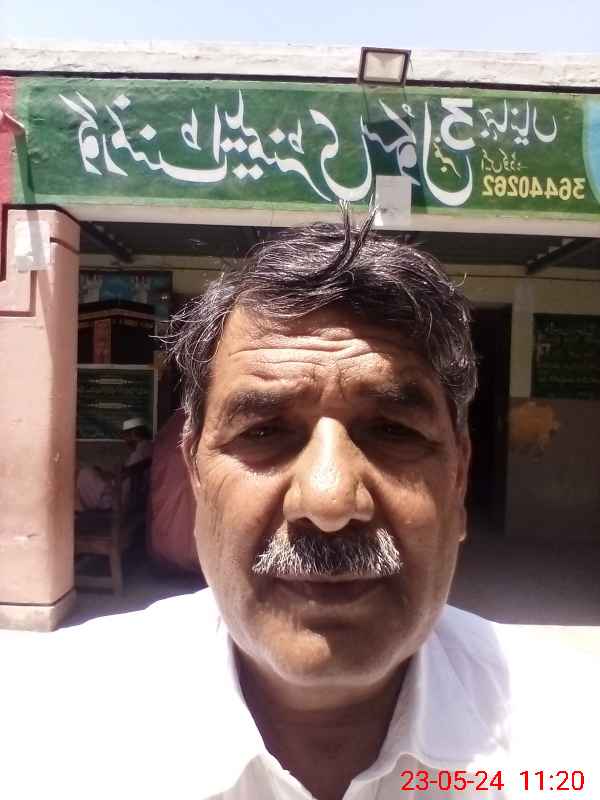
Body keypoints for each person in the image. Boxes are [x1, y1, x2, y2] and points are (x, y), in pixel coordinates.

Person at [3, 208, 597, 800]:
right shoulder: (47, 735)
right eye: (263, 432)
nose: (329, 500)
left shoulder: (573, 737)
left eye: (392, 431)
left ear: (458, 478)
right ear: (196, 474)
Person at [75, 416, 153, 511]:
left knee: (85, 473)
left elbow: (125, 478)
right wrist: (105, 474)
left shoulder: (141, 451)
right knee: (90, 472)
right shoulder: (146, 448)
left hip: (117, 499)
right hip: (125, 494)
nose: (125, 440)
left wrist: (107, 477)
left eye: (126, 435)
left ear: (134, 434)